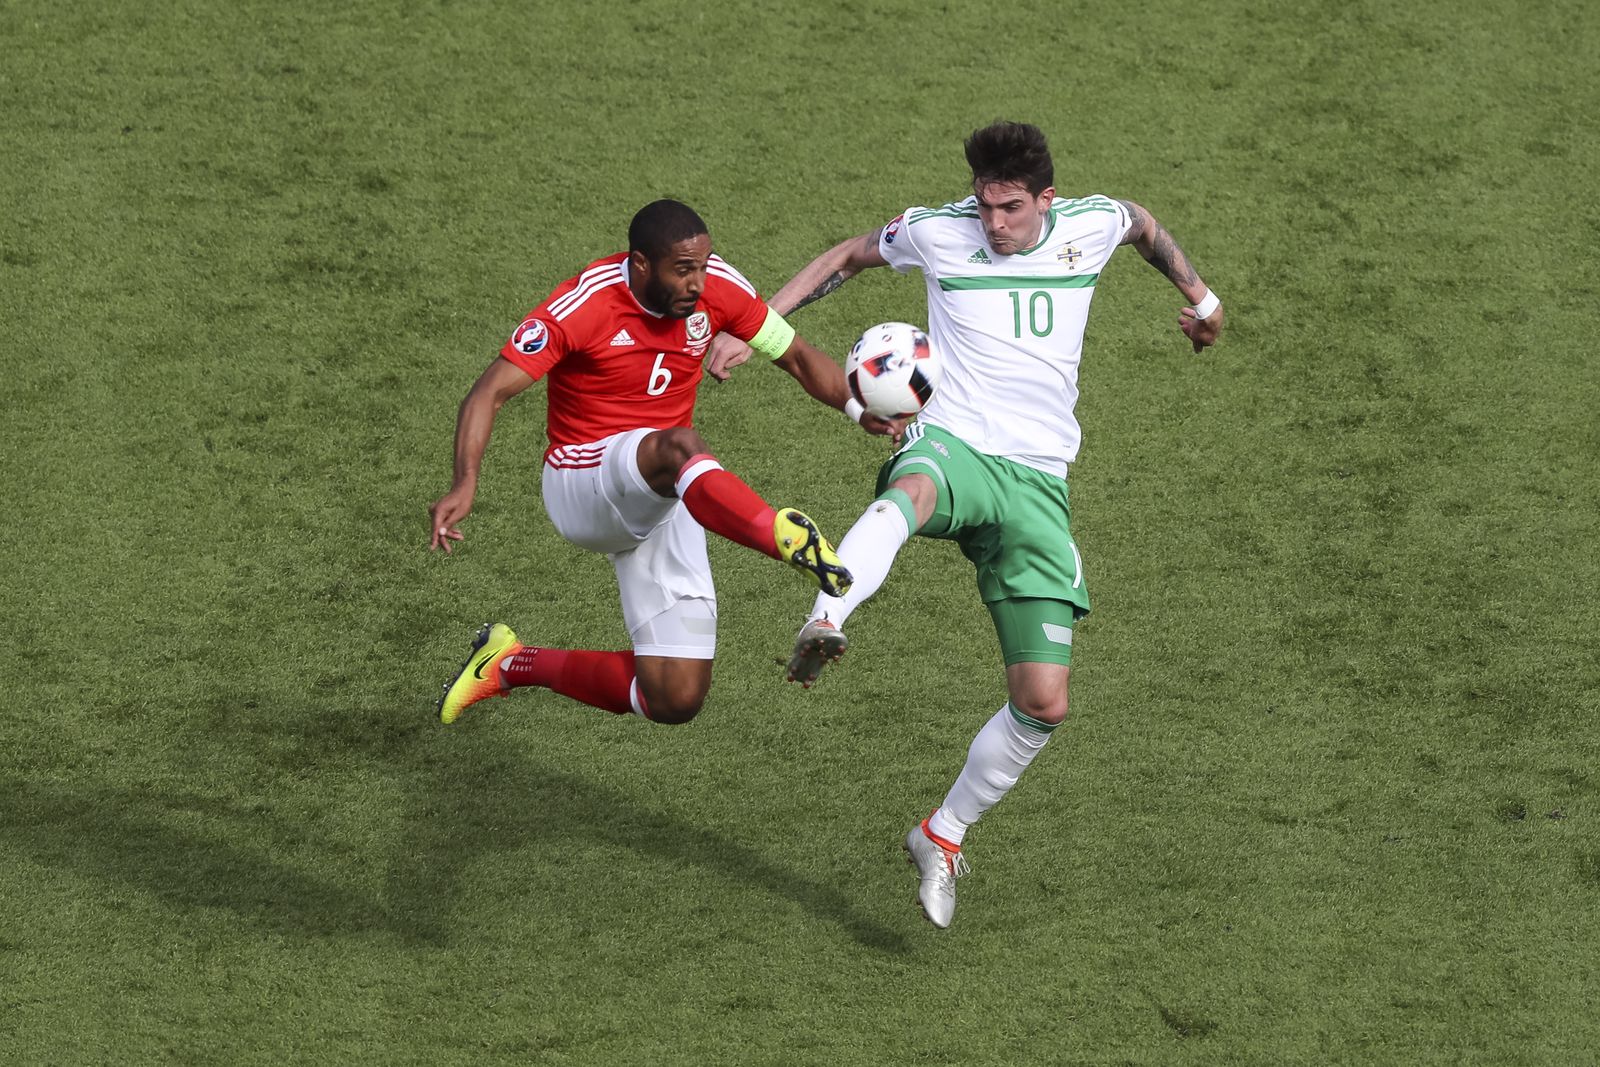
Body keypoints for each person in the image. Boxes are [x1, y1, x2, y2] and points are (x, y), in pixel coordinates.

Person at [708, 122, 1224, 927]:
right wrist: (758, 321)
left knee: (1044, 701)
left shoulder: (1089, 224)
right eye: (985, 206)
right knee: (913, 488)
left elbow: (1142, 224)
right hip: (955, 443)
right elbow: (846, 255)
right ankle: (826, 614)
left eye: (1010, 209)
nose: (993, 224)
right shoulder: (938, 232)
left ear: (1045, 199)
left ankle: (941, 835)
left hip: (1040, 479)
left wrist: (1204, 300)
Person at [430, 198, 899, 728]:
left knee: (674, 696)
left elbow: (795, 356)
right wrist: (464, 482)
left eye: (702, 265)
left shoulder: (716, 287)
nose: (698, 283)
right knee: (678, 444)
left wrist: (859, 408)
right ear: (640, 264)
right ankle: (782, 537)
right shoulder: (584, 304)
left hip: (665, 489)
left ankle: (507, 663)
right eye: (683, 270)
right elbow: (488, 392)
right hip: (583, 482)